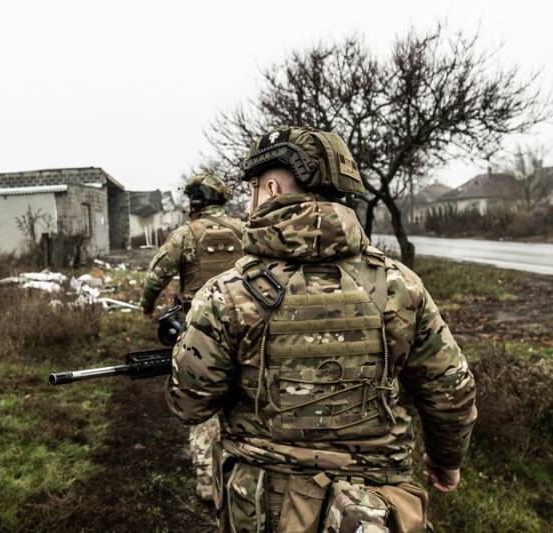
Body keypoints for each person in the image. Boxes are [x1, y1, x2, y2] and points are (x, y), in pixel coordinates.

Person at [165, 127, 477, 532]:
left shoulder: (226, 294)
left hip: (264, 508)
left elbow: (190, 405)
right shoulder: (402, 286)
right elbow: (451, 392)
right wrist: (446, 461)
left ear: (271, 188)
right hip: (377, 508)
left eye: (254, 188)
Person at [140, 174, 245, 501]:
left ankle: (205, 482)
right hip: (244, 323)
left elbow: (156, 275)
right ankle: (240, 470)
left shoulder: (185, 235)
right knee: (243, 392)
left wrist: (147, 305)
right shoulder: (244, 230)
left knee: (201, 398)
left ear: (195, 202)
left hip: (198, 328)